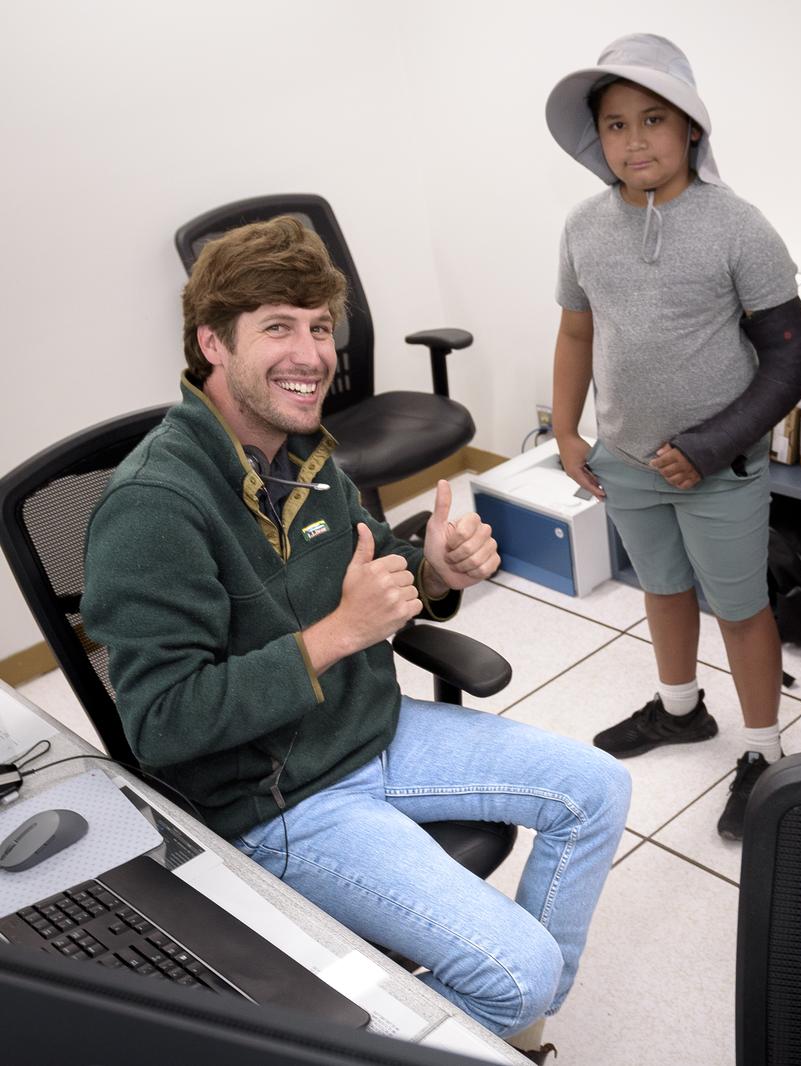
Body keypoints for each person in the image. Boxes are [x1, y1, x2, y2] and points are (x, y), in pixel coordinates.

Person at [81, 216, 631, 1059]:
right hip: (275, 799)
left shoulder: (304, 455)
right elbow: (162, 724)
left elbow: (375, 565)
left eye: (319, 327)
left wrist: (438, 569)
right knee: (517, 973)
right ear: (212, 344)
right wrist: (337, 635)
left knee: (597, 790)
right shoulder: (154, 506)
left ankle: (506, 1034)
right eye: (277, 326)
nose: (312, 353)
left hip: (371, 731)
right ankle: (496, 1022)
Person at [545, 33, 801, 840]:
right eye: (616, 124)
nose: (635, 140)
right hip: (624, 456)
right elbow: (575, 336)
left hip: (718, 465)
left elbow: (795, 357)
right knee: (661, 589)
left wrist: (709, 445)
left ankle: (765, 754)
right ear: (597, 137)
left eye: (654, 119)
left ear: (691, 129)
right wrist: (567, 431)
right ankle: (680, 710)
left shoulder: (736, 225)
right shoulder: (583, 227)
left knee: (739, 609)